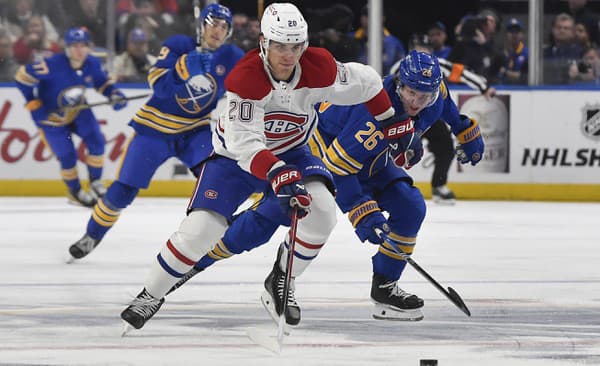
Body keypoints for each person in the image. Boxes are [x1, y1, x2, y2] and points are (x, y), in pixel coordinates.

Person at [120, 2, 411, 332]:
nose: (287, 55)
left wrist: (391, 120)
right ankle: (150, 295)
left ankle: (282, 278)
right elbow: (246, 145)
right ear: (263, 43)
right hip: (234, 161)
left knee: (323, 212)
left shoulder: (320, 68)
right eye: (279, 46)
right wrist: (276, 173)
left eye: (295, 46)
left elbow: (369, 82)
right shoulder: (245, 78)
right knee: (202, 230)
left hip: (293, 154)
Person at [167, 50, 485, 321]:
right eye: (411, 94)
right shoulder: (372, 115)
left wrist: (465, 130)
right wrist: (365, 214)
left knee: (410, 206)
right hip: (325, 155)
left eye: (425, 96)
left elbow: (446, 110)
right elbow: (340, 170)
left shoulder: (434, 95)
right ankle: (198, 258)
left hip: (370, 157)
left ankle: (385, 287)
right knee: (270, 218)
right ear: (399, 85)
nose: (417, 102)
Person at [66, 4, 244, 260]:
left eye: (224, 26)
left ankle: (221, 232)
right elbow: (159, 86)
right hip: (154, 129)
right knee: (123, 190)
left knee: (216, 177)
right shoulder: (179, 44)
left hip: (194, 131)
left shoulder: (232, 56)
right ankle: (91, 235)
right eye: (213, 23)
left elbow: (251, 83)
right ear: (202, 25)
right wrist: (184, 68)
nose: (218, 30)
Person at [15, 27, 128, 207]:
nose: (79, 50)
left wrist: (114, 94)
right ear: (67, 48)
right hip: (50, 119)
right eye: (74, 45)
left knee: (97, 141)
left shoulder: (92, 63)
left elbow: (101, 82)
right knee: (67, 156)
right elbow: (22, 77)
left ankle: (95, 182)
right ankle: (75, 191)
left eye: (83, 45)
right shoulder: (51, 64)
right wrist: (32, 102)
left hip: (78, 111)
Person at [391, 34, 493, 204]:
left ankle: (439, 185)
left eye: (425, 49)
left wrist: (463, 126)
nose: (422, 52)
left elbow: (461, 73)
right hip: (400, 118)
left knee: (445, 147)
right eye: (417, 48)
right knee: (390, 154)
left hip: (429, 114)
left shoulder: (437, 68)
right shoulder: (400, 68)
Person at [349, 4, 405, 75]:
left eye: (373, 14)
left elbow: (400, 69)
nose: (369, 18)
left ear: (383, 18)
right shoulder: (350, 39)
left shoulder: (394, 43)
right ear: (361, 18)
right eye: (365, 14)